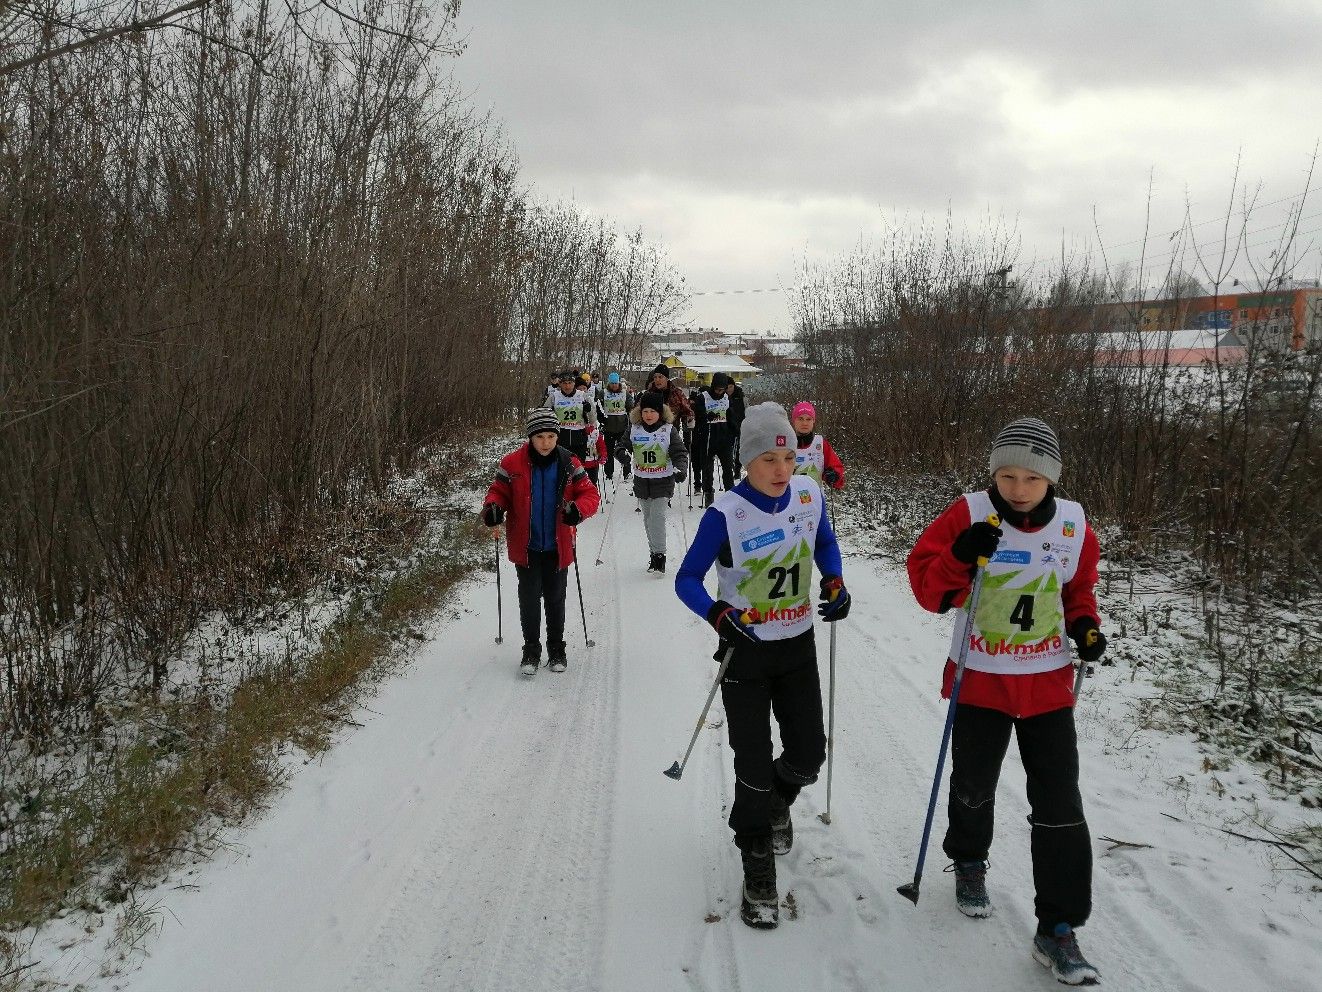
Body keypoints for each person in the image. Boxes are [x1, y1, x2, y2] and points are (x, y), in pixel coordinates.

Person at [905, 417, 1106, 986]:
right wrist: (960, 556)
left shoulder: (1071, 525)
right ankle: (969, 859)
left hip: (1046, 683)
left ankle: (1059, 927)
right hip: (982, 677)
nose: (1017, 489)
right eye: (1006, 475)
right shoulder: (968, 514)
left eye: (1031, 479)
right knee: (974, 783)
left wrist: (1085, 625)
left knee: (1060, 801)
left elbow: (1077, 588)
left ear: (1052, 481)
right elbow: (927, 590)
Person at [674, 402, 851, 930]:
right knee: (750, 765)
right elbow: (687, 579)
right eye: (770, 459)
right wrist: (716, 612)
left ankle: (778, 802)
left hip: (797, 646)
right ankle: (757, 866)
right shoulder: (724, 513)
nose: (782, 469)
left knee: (807, 753)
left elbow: (825, 543)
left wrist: (835, 582)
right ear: (746, 461)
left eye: (789, 458)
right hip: (745, 652)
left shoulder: (809, 494)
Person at [481, 409, 600, 677]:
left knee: (556, 599)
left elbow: (590, 493)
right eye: (540, 437)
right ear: (530, 438)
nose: (546, 442)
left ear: (557, 436)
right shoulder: (512, 464)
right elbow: (498, 492)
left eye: (550, 436)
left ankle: (557, 648)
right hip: (527, 546)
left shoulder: (570, 462)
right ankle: (531, 650)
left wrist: (578, 510)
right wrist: (493, 509)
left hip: (559, 547)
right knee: (530, 598)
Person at [618, 392, 689, 572]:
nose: (648, 415)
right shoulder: (634, 429)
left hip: (663, 481)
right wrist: (622, 454)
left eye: (653, 411)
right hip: (642, 481)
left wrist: (680, 469)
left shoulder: (668, 430)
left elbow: (680, 453)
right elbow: (621, 446)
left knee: (657, 518)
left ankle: (660, 557)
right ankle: (653, 554)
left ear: (661, 412)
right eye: (645, 411)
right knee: (648, 520)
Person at [693, 372, 735, 507]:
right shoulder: (703, 398)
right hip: (708, 439)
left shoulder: (727, 398)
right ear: (713, 387)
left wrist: (735, 430)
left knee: (728, 468)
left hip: (724, 439)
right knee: (707, 470)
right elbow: (697, 417)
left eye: (722, 390)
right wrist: (706, 416)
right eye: (717, 389)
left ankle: (730, 495)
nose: (719, 392)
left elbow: (731, 417)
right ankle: (708, 495)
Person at [790, 401, 845, 491]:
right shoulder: (786, 445)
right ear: (794, 420)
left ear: (813, 421)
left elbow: (836, 468)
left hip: (815, 499)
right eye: (800, 419)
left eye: (808, 419)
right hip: (792, 499)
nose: (804, 423)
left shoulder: (820, 443)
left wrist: (834, 476)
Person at [544, 370, 596, 462]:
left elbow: (593, 419)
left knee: (578, 467)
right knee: (561, 466)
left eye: (570, 383)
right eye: (564, 383)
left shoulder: (582, 396)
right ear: (560, 384)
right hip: (560, 437)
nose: (567, 386)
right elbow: (544, 415)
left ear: (574, 383)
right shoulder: (554, 397)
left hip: (579, 437)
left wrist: (588, 410)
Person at [598, 372, 634, 483]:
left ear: (619, 383)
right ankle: (609, 473)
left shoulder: (624, 393)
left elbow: (630, 407)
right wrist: (601, 419)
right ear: (609, 383)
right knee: (608, 451)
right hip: (608, 427)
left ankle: (627, 472)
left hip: (622, 427)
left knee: (624, 451)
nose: (614, 385)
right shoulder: (603, 392)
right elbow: (598, 406)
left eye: (616, 383)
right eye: (612, 383)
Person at [726, 377, 747, 478]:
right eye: (727, 387)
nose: (729, 389)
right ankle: (729, 468)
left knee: (739, 449)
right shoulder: (723, 397)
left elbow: (745, 410)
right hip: (727, 427)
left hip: (740, 426)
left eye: (731, 386)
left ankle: (737, 469)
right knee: (729, 450)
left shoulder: (740, 395)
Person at [582, 420, 608, 490]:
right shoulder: (576, 432)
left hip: (593, 464)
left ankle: (593, 498)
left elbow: (602, 447)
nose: (587, 425)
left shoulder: (595, 433)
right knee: (580, 484)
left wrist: (603, 456)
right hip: (580, 465)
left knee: (592, 483)